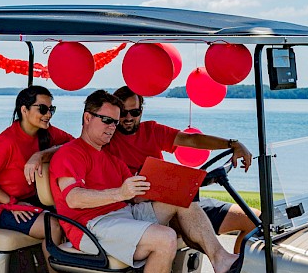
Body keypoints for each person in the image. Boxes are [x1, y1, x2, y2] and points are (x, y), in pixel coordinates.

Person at [49, 90, 241, 273]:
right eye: (106, 120)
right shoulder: (71, 153)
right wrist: (120, 192)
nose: (112, 127)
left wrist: (176, 184)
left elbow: (134, 196)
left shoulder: (108, 157)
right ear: (87, 117)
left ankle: (221, 259)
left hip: (121, 215)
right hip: (90, 227)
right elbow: (74, 198)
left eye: (115, 123)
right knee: (165, 237)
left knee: (181, 199)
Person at [107, 86, 259, 245]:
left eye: (135, 112)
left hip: (178, 200)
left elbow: (191, 139)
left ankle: (238, 269)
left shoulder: (151, 130)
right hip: (150, 210)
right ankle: (220, 261)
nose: (129, 117)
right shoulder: (106, 140)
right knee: (188, 222)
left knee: (253, 219)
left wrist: (232, 144)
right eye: (123, 113)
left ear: (141, 112)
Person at [0, 86, 81, 273]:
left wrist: (40, 154)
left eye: (52, 109)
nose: (48, 114)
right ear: (24, 110)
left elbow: (74, 144)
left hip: (28, 200)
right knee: (53, 227)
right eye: (42, 108)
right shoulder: (6, 142)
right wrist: (11, 203)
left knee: (74, 216)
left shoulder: (47, 133)